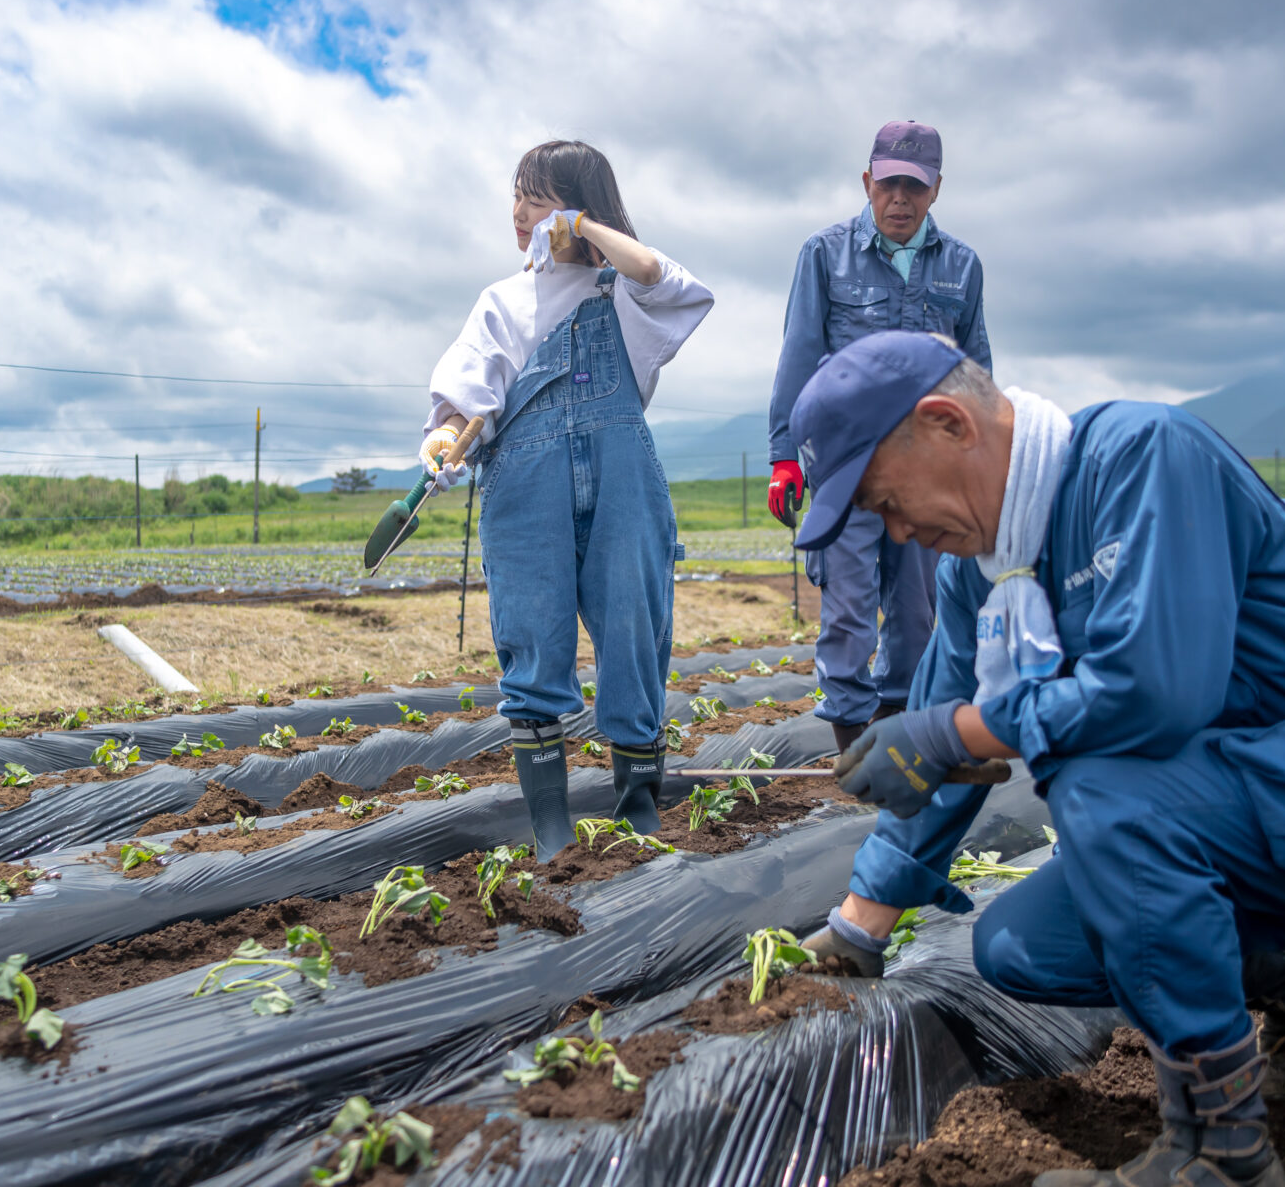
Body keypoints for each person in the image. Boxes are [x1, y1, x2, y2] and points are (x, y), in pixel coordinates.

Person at [788, 333, 1285, 1187]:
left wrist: (957, 734)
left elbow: (1154, 694)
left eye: (885, 501)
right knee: (1019, 947)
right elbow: (943, 750)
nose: (899, 532)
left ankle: (1225, 1151)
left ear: (946, 424)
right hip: (1256, 805)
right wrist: (860, 925)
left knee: (1100, 780)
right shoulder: (979, 575)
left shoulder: (1141, 456)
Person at [420, 140, 713, 860]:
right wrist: (446, 440)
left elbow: (650, 267)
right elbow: (467, 401)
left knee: (634, 637)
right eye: (516, 196)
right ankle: (551, 830)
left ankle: (637, 814)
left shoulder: (630, 294)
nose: (519, 213)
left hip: (623, 487)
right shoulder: (504, 302)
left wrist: (580, 230)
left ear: (584, 208)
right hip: (526, 489)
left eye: (537, 197)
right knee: (533, 640)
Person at [765, 121, 991, 756]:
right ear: (867, 182)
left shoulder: (962, 267)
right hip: (848, 467)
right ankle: (849, 750)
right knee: (847, 609)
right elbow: (800, 355)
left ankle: (897, 743)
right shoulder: (825, 255)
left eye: (914, 187)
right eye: (889, 183)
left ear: (936, 190)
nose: (900, 199)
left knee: (918, 611)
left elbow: (976, 368)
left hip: (927, 470)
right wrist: (786, 456)